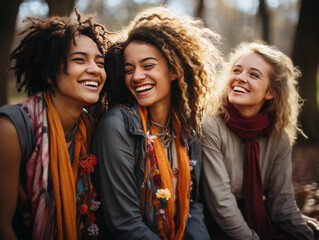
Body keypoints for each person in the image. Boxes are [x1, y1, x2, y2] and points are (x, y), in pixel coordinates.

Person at [92, 6, 222, 240]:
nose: (137, 76)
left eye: (148, 66)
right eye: (128, 69)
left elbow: (193, 207)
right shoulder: (116, 127)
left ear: (173, 70)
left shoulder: (188, 130)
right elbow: (125, 224)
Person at [0, 9, 111, 239]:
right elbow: (3, 228)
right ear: (50, 73)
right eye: (79, 60)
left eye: (100, 63)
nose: (94, 69)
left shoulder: (91, 129)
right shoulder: (11, 129)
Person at [201, 42, 317, 239]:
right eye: (236, 70)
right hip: (214, 222)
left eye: (253, 75)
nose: (240, 78)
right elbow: (220, 202)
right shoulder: (211, 126)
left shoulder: (278, 135)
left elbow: (282, 203)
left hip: (255, 215)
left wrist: (305, 235)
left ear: (270, 92)